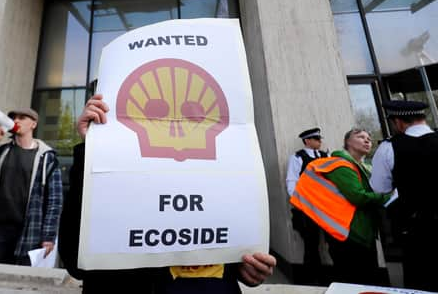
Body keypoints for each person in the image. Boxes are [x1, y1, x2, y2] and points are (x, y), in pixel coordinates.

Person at [58, 94, 276, 294]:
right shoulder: (106, 170)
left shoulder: (223, 171)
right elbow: (75, 260)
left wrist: (246, 266)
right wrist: (94, 149)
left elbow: (237, 250)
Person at [371, 100, 438, 293]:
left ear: (398, 122)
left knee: (426, 285)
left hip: (420, 230)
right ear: (423, 117)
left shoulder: (388, 148)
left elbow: (380, 188)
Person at [0, 108, 62, 265]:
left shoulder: (47, 157)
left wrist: (48, 236)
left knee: (22, 279)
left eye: (22, 118)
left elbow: (55, 200)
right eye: (13, 118)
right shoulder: (2, 151)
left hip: (30, 230)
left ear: (34, 124)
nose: (16, 121)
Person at [322, 129, 390, 285]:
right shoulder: (340, 165)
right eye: (361, 137)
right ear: (348, 142)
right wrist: (388, 195)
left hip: (364, 232)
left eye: (369, 138)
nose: (367, 141)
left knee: (367, 279)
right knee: (353, 281)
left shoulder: (367, 167)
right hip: (348, 234)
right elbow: (358, 196)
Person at [285, 127, 326, 284]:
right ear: (307, 141)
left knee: (328, 242)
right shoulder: (298, 157)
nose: (320, 142)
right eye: (316, 139)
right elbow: (292, 180)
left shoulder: (324, 156)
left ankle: (323, 276)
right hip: (307, 207)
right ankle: (311, 278)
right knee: (311, 243)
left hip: (325, 206)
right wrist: (299, 202)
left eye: (320, 139)